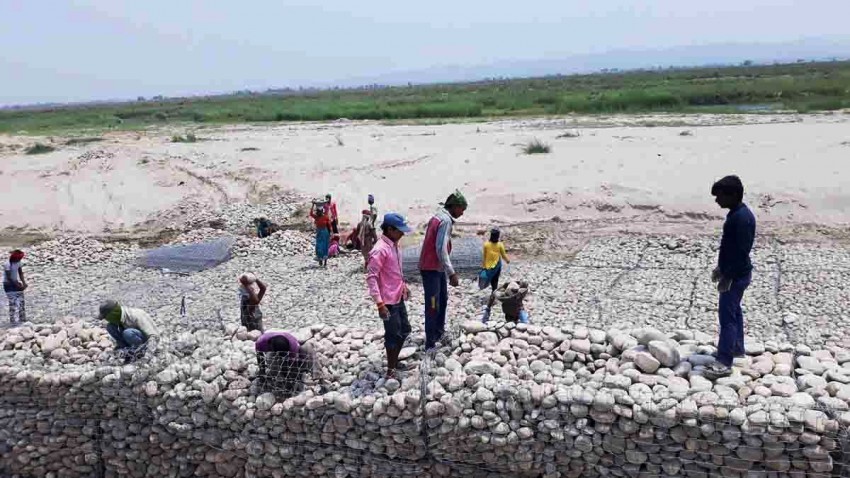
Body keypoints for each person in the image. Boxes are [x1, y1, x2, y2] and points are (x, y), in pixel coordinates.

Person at [705, 175, 756, 379]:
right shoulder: (736, 213)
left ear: (733, 195)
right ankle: (736, 348)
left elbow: (741, 251)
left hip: (736, 275)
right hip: (736, 272)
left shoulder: (741, 218)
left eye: (719, 196)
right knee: (734, 311)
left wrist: (728, 276)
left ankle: (724, 361)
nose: (717, 201)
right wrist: (721, 267)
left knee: (727, 318)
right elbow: (731, 248)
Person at [419, 190, 468, 352]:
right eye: (462, 208)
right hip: (432, 268)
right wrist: (451, 272)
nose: (462, 212)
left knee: (442, 300)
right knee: (433, 304)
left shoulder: (438, 216)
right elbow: (440, 248)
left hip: (436, 268)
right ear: (454, 206)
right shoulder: (445, 220)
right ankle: (430, 343)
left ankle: (438, 332)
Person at [366, 213, 413, 378]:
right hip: (387, 301)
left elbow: (396, 271)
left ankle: (394, 361)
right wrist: (379, 304)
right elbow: (371, 278)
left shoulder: (394, 245)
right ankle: (391, 371)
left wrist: (404, 286)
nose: (402, 234)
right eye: (399, 231)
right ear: (390, 229)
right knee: (393, 335)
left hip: (398, 295)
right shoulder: (379, 250)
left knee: (405, 329)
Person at [255, 330, 314, 395]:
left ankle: (307, 373)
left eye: (282, 355)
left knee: (305, 349)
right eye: (280, 354)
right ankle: (278, 379)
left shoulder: (293, 345)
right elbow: (260, 356)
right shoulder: (261, 342)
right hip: (273, 348)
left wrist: (292, 378)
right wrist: (262, 371)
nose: (281, 357)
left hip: (291, 350)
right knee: (270, 357)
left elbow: (293, 365)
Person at [479, 228, 511, 323]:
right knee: (495, 282)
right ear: (497, 236)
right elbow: (504, 255)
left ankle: (491, 296)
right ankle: (493, 297)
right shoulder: (500, 245)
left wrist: (483, 266)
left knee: (488, 279)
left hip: (488, 267)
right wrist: (508, 261)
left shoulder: (486, 244)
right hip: (497, 266)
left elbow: (484, 256)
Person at [3, 250, 27, 325]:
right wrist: (18, 285)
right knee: (12, 303)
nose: (20, 260)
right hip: (8, 285)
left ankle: (22, 319)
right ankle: (12, 320)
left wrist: (24, 283)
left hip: (15, 282)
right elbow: (9, 277)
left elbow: (20, 273)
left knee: (21, 301)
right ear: (15, 258)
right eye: (19, 258)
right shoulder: (7, 264)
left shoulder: (18, 263)